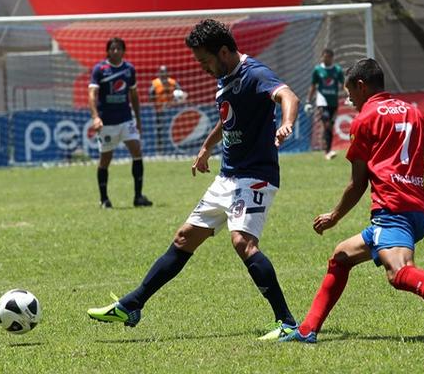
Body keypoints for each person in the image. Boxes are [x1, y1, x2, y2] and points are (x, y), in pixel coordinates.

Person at [87, 19, 300, 340]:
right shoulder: (225, 77)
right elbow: (229, 118)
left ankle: (287, 324)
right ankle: (132, 305)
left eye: (204, 60)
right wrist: (206, 147)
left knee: (243, 242)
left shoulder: (254, 73)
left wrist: (286, 124)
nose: (202, 67)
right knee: (184, 238)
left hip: (255, 176)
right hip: (228, 176)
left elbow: (289, 96)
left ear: (225, 51)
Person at [281, 58, 424, 344]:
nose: (348, 98)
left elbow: (358, 183)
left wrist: (334, 216)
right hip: (418, 211)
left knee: (399, 271)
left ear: (362, 86)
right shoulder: (414, 113)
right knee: (341, 257)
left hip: (393, 208)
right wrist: (410, 171)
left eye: (349, 91)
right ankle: (308, 329)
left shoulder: (365, 119)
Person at [88, 37, 153, 208]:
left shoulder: (129, 69)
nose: (115, 51)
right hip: (107, 123)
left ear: (124, 51)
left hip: (126, 120)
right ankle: (104, 199)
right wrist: (95, 117)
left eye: (119, 48)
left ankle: (138, 197)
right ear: (107, 51)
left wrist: (138, 119)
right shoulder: (100, 69)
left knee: (137, 151)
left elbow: (134, 95)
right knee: (105, 160)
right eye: (112, 49)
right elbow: (92, 95)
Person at [304, 48, 345, 160]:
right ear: (322, 57)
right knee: (326, 124)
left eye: (328, 57)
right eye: (324, 56)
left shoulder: (337, 70)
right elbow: (313, 86)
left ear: (332, 58)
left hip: (334, 102)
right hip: (322, 102)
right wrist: (308, 101)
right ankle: (327, 151)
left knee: (330, 126)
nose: (325, 58)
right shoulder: (318, 70)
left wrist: (349, 96)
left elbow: (343, 85)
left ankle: (327, 148)